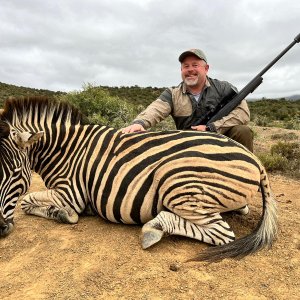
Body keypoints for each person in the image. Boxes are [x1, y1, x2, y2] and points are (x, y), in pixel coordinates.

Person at [122, 49, 253, 151]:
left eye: (195, 65)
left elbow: (243, 113)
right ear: (181, 70)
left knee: (243, 131)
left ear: (206, 68)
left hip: (221, 140)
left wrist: (211, 128)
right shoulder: (173, 93)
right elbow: (156, 109)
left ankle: (249, 177)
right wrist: (140, 123)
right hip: (189, 147)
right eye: (186, 66)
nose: (190, 70)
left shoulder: (224, 88)